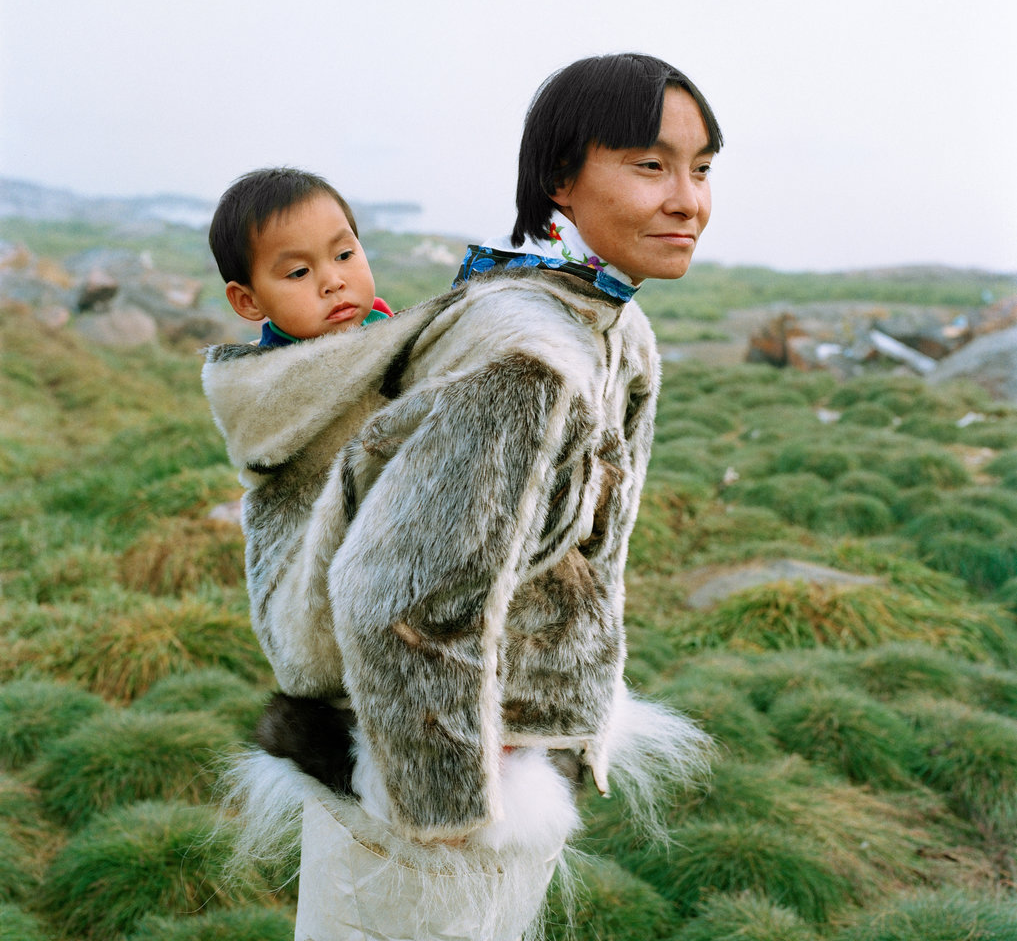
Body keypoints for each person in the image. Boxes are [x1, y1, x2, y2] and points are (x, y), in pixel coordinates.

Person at [203, 52, 722, 941]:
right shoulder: (528, 358)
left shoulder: (614, 323)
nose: (687, 200)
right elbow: (393, 599)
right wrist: (449, 802)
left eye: (701, 168)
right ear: (559, 178)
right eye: (650, 165)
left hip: (505, 757)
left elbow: (579, 558)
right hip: (425, 809)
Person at [208, 167, 393, 347]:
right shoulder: (275, 367)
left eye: (344, 255)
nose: (334, 283)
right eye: (299, 272)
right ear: (248, 301)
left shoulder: (381, 318)